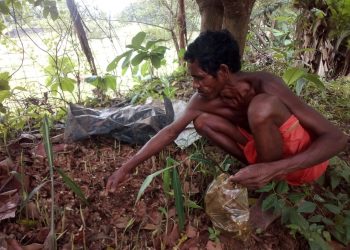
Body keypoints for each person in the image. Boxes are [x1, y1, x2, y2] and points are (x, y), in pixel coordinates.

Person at [106, 30, 347, 229]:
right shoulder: (202, 100)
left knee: (261, 107)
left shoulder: (266, 85)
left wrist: (273, 169)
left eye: (200, 78)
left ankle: (270, 194)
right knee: (202, 122)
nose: (194, 85)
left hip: (302, 163)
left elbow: (336, 139)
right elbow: (170, 132)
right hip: (265, 157)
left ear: (223, 71)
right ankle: (260, 177)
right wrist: (127, 167)